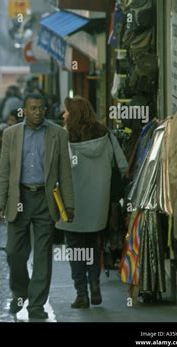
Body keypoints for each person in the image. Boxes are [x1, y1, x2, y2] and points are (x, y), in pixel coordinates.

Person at [0, 93, 75, 320]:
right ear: (24, 110)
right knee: (13, 253)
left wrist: (69, 204)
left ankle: (36, 306)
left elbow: (65, 172)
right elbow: (3, 171)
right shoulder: (11, 134)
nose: (37, 112)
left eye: (41, 108)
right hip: (18, 198)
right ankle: (20, 292)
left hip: (44, 199)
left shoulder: (58, 134)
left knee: (42, 256)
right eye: (33, 108)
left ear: (45, 110)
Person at [55, 96, 128, 309]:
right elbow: (121, 166)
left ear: (75, 114)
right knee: (93, 246)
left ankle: (81, 293)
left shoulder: (64, 138)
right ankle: (94, 281)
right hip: (98, 205)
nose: (63, 114)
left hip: (71, 206)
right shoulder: (105, 135)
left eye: (66, 111)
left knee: (75, 248)